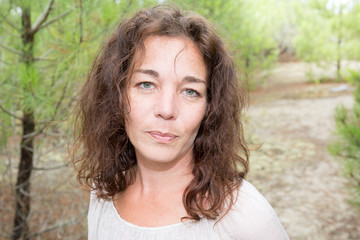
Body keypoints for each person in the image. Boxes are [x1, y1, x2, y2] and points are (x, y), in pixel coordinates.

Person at [73, 4, 289, 240]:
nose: (166, 110)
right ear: (118, 95)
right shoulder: (104, 193)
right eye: (146, 84)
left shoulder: (244, 216)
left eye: (190, 91)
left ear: (209, 107)